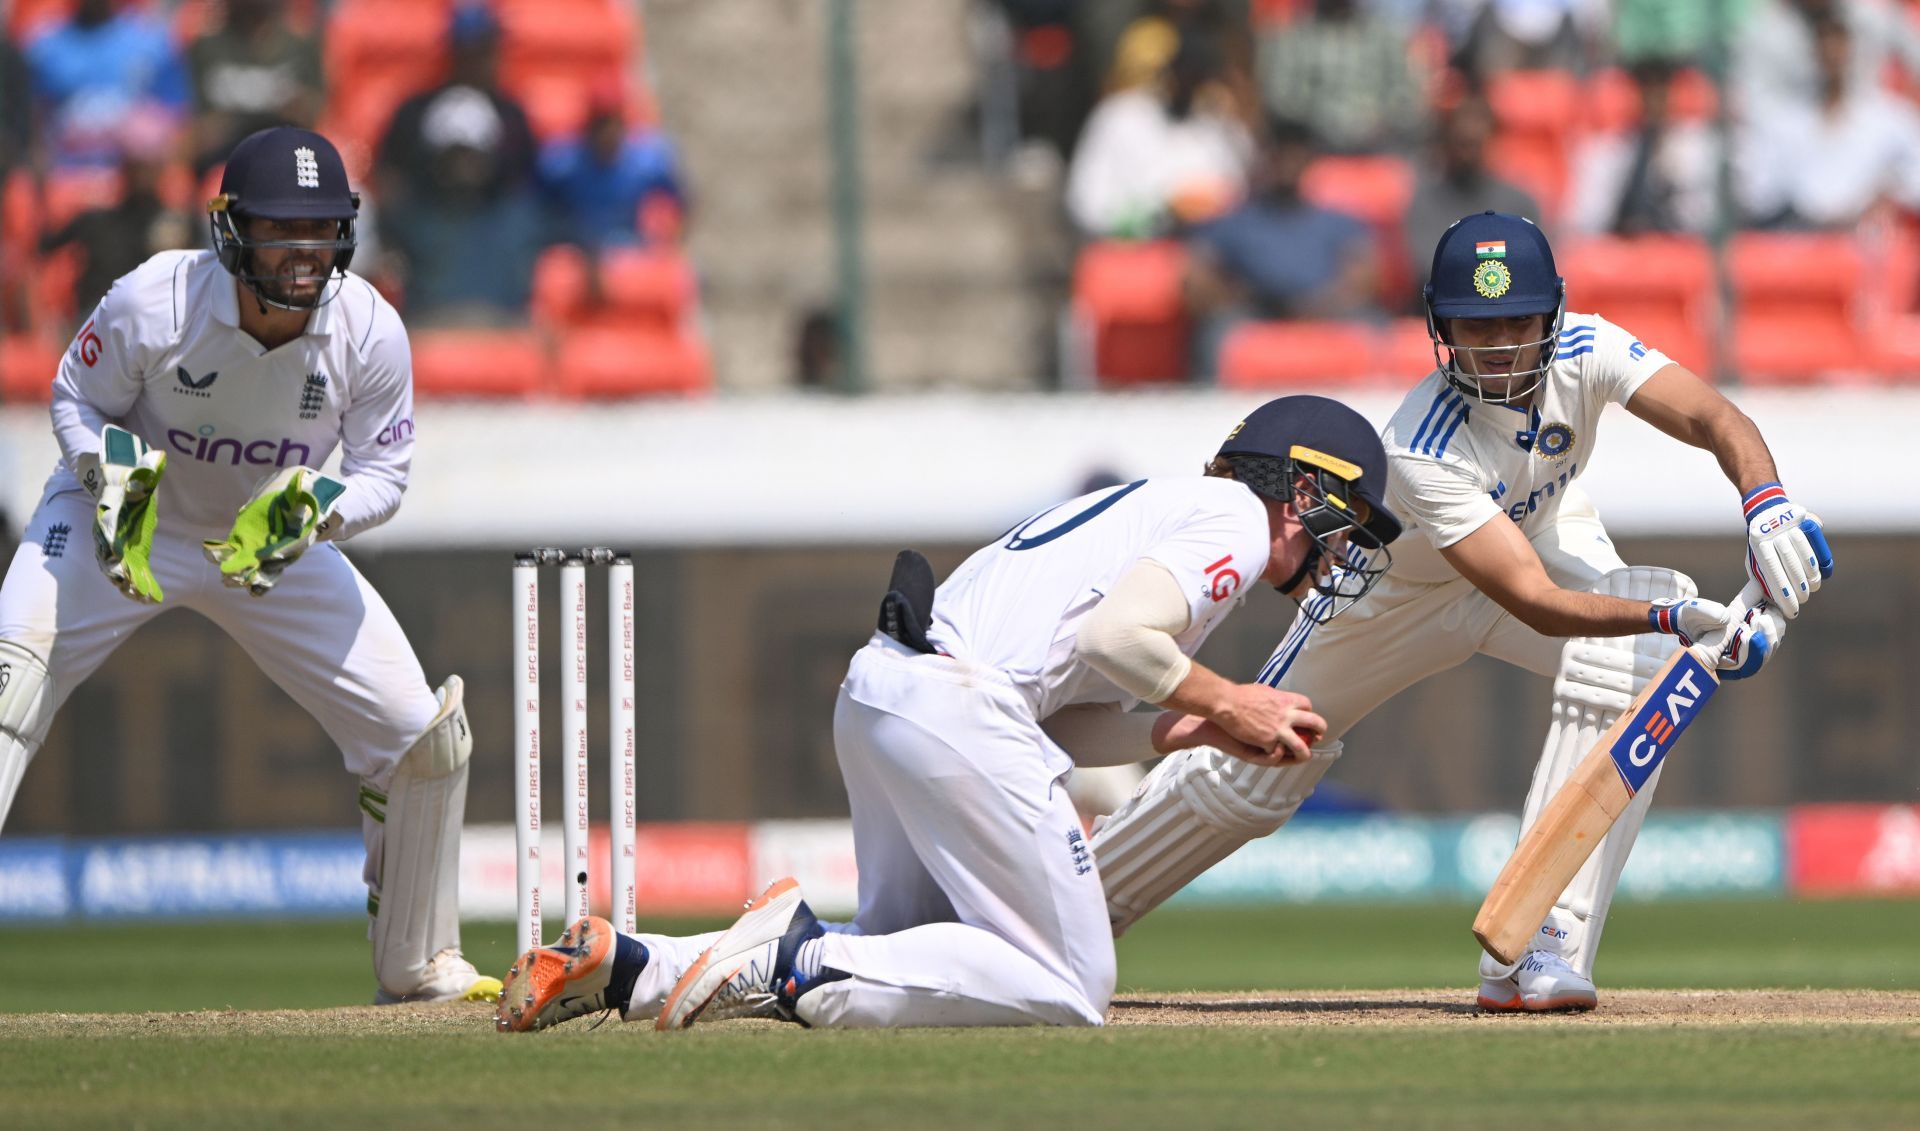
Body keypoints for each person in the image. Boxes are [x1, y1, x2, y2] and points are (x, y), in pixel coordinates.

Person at [1088, 210, 1827, 1013]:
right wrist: (1685, 624)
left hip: (1539, 538)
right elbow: (1535, 604)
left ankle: (1539, 945)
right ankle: (1069, 905)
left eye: (1518, 320)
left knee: (1641, 663)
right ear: (1442, 331)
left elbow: (1718, 418)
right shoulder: (1422, 443)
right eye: (1478, 327)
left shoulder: (1591, 347)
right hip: (1397, 594)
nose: (1503, 344)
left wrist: (1769, 507)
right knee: (1260, 753)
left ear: (1552, 314)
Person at [495, 394, 1405, 1031]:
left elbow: (1070, 714)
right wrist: (1232, 697)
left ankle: (628, 964)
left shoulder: (1165, 513)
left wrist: (1202, 726)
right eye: (1348, 523)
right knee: (1071, 982)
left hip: (893, 695)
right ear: (1304, 491)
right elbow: (1117, 643)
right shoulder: (1238, 522)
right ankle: (790, 954)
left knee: (900, 953)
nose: (1341, 552)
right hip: (959, 707)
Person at [0, 127, 498, 1006]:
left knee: (422, 741)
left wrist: (317, 511)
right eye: (280, 231)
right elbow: (76, 397)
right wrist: (104, 475)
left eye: (320, 232)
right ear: (232, 231)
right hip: (128, 521)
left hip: (264, 537)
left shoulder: (369, 328)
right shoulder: (155, 299)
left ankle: (416, 965)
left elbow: (385, 473)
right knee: (8, 678)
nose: (304, 256)